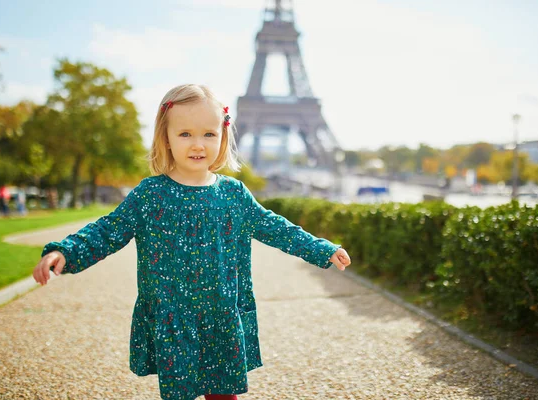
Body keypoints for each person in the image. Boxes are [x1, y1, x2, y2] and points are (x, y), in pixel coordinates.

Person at [32, 84, 351, 400]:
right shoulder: (150, 194)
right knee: (179, 394)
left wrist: (322, 249)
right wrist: (66, 251)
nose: (198, 144)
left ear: (223, 136)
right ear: (166, 138)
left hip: (220, 315)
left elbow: (277, 228)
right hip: (174, 316)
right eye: (185, 134)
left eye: (208, 134)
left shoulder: (234, 194)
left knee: (223, 396)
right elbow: (108, 230)